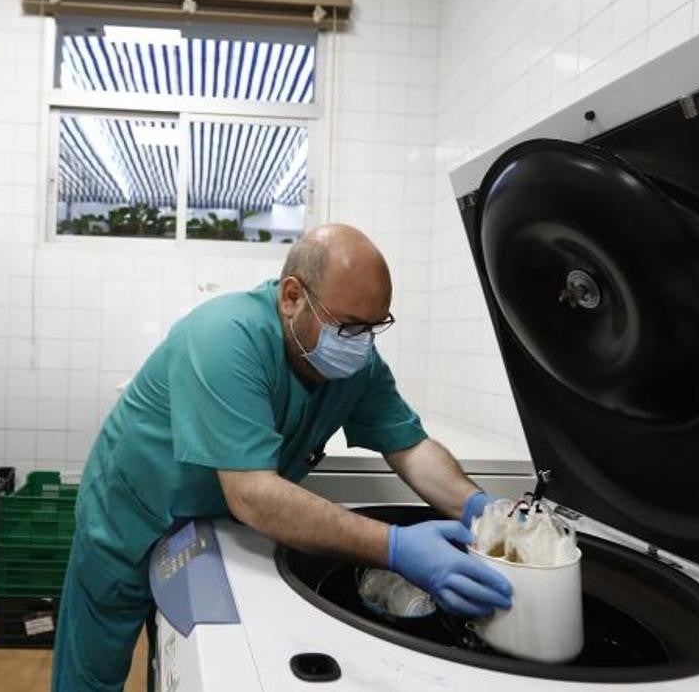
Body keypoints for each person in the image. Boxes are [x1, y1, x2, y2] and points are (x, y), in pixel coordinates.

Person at [52, 224, 512, 691]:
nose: (362, 343)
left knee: (165, 658)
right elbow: (253, 494)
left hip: (213, 523)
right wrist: (395, 548)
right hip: (131, 515)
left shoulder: (357, 366)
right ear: (292, 296)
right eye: (349, 326)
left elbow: (411, 448)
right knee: (92, 672)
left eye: (375, 328)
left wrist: (485, 511)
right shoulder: (226, 336)